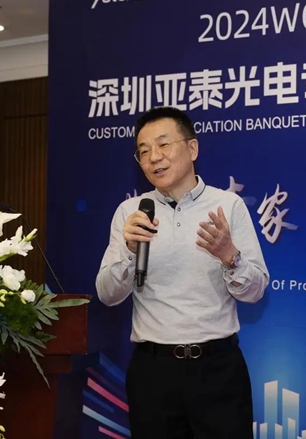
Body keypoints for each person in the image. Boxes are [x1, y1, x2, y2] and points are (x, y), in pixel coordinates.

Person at [95, 106, 269, 439]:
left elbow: (255, 291)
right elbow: (107, 294)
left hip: (218, 370)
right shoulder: (131, 212)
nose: (153, 158)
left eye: (163, 144)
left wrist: (229, 256)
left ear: (192, 148)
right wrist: (129, 250)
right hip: (153, 373)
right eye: (143, 151)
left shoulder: (227, 206)